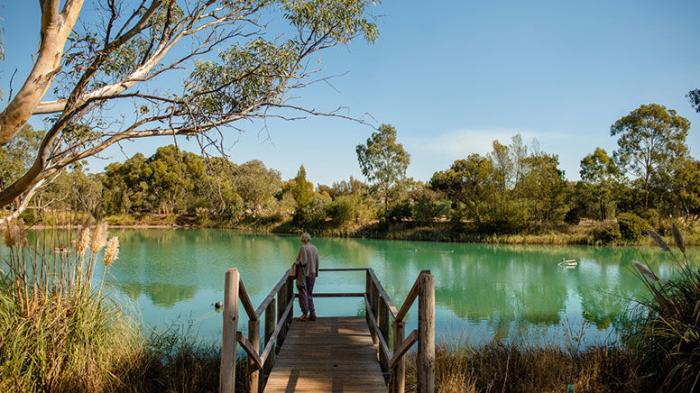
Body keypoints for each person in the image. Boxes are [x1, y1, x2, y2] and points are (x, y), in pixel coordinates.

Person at [294, 232, 319, 321]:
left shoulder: (303, 248)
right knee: (309, 294)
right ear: (309, 239)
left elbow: (303, 262)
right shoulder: (315, 248)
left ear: (303, 239)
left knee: (303, 293)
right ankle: (312, 313)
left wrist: (296, 262)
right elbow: (317, 262)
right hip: (312, 273)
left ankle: (305, 314)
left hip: (305, 274)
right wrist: (316, 273)